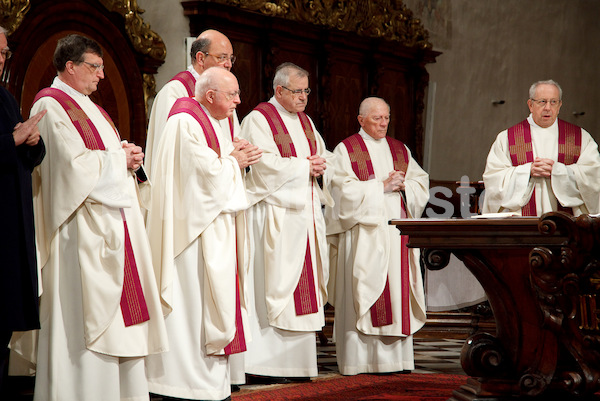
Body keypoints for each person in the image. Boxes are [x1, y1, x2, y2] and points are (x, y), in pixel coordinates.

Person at [14, 34, 168, 401]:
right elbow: (69, 169)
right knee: (87, 319)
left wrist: (125, 155)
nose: (101, 75)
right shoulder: (51, 105)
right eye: (94, 67)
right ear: (70, 67)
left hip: (113, 225)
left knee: (120, 322)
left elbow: (99, 157)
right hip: (80, 232)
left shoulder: (89, 106)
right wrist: (119, 161)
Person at [145, 67, 261, 400]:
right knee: (191, 308)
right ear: (210, 96)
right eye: (232, 95)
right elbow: (200, 177)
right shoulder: (184, 120)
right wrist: (233, 162)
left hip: (213, 229)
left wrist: (235, 157)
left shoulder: (211, 120)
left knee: (210, 306)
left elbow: (216, 166)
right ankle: (180, 384)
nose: (239, 102)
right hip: (193, 235)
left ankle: (210, 384)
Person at [240, 62, 333, 383]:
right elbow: (261, 164)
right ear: (279, 90)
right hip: (274, 217)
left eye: (307, 91)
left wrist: (323, 165)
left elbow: (323, 156)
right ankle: (264, 364)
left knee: (302, 286)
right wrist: (302, 168)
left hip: (304, 217)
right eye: (298, 91)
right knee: (273, 282)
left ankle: (297, 365)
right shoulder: (258, 119)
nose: (304, 98)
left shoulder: (306, 123)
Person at [325, 97, 429, 375]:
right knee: (363, 289)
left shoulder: (399, 149)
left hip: (396, 235)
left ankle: (396, 361)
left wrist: (406, 185)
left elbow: (421, 182)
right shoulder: (346, 150)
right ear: (361, 120)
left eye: (386, 118)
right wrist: (379, 187)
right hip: (363, 235)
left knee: (395, 291)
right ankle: (357, 361)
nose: (383, 124)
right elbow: (340, 192)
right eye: (376, 119)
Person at [0, 25, 46, 394]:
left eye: (4, 54)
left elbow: (23, 154)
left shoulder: (5, 96)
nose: (1, 60)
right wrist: (12, 139)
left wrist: (32, 141)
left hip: (10, 224)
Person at [483, 79, 600, 216]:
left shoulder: (580, 137)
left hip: (568, 224)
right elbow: (494, 179)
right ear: (530, 105)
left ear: (560, 105)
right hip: (521, 223)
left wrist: (559, 171)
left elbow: (593, 177)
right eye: (542, 101)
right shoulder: (507, 138)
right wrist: (527, 171)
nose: (548, 108)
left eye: (553, 102)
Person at [145, 29, 237, 179]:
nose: (228, 64)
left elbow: (230, 137)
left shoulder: (222, 91)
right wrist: (230, 155)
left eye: (231, 59)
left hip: (220, 179)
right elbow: (177, 149)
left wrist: (238, 148)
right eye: (222, 57)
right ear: (200, 58)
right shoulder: (174, 93)